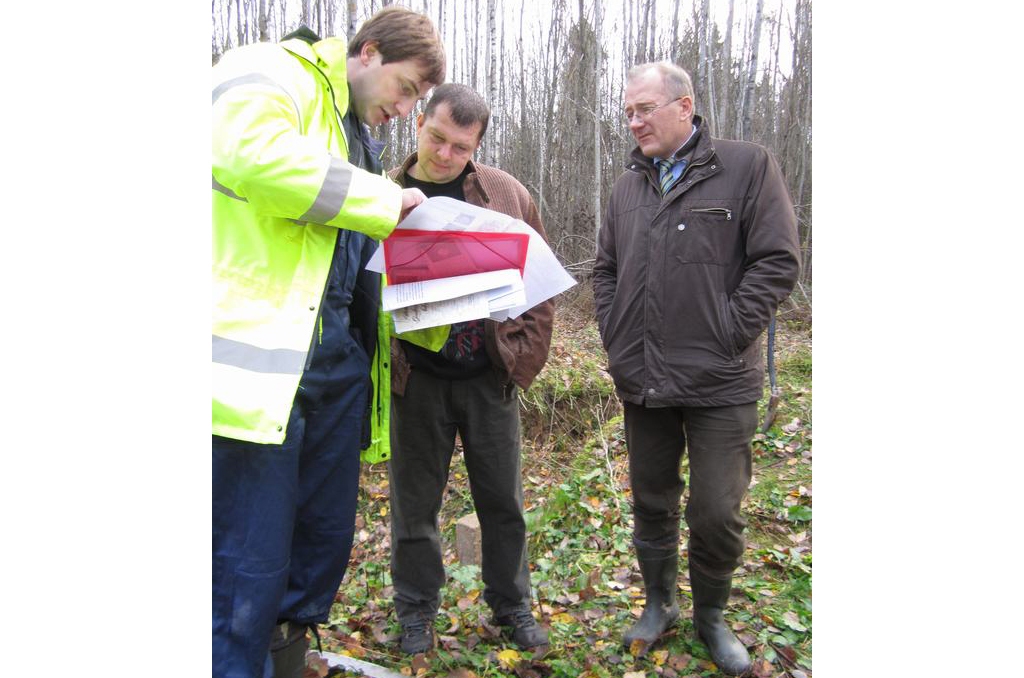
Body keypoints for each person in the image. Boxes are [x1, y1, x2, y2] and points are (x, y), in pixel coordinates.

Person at [211, 8, 445, 678]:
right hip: (261, 372)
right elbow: (251, 156)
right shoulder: (270, 68)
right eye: (405, 88)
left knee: (316, 549)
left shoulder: (359, 137)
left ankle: (281, 656)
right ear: (367, 52)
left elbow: (345, 258)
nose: (405, 110)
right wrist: (385, 202)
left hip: (337, 366)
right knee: (245, 563)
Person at [593, 62, 800, 676]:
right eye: (628, 113)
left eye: (645, 109)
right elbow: (605, 270)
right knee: (651, 500)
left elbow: (777, 261)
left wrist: (728, 332)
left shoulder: (747, 167)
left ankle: (711, 616)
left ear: (684, 106)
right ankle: (660, 604)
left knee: (716, 510)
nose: (634, 122)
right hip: (644, 378)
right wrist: (617, 333)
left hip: (721, 381)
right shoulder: (627, 187)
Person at [385, 83, 554, 655]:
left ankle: (511, 606)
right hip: (414, 380)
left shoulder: (503, 194)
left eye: (460, 147)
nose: (444, 154)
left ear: (477, 145)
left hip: (488, 377)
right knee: (414, 508)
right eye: (436, 138)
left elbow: (541, 283)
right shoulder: (384, 194)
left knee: (503, 504)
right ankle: (415, 612)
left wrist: (520, 363)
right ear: (419, 123)